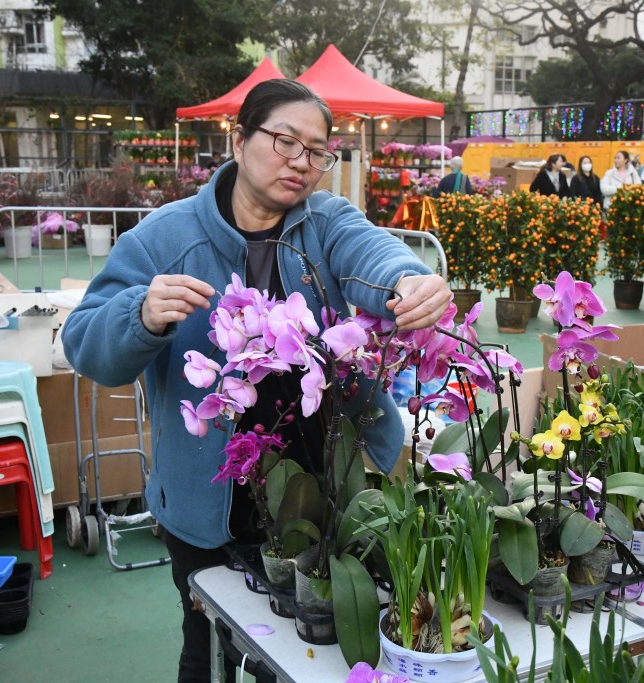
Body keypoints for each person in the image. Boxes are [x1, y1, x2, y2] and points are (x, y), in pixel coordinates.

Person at [61, 79, 450, 683]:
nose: (301, 163)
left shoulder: (325, 223)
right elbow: (87, 346)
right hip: (206, 498)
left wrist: (408, 281)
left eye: (317, 151)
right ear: (239, 141)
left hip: (316, 485)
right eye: (285, 141)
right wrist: (138, 314)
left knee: (302, 651)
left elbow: (371, 254)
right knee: (207, 644)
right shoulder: (165, 239)